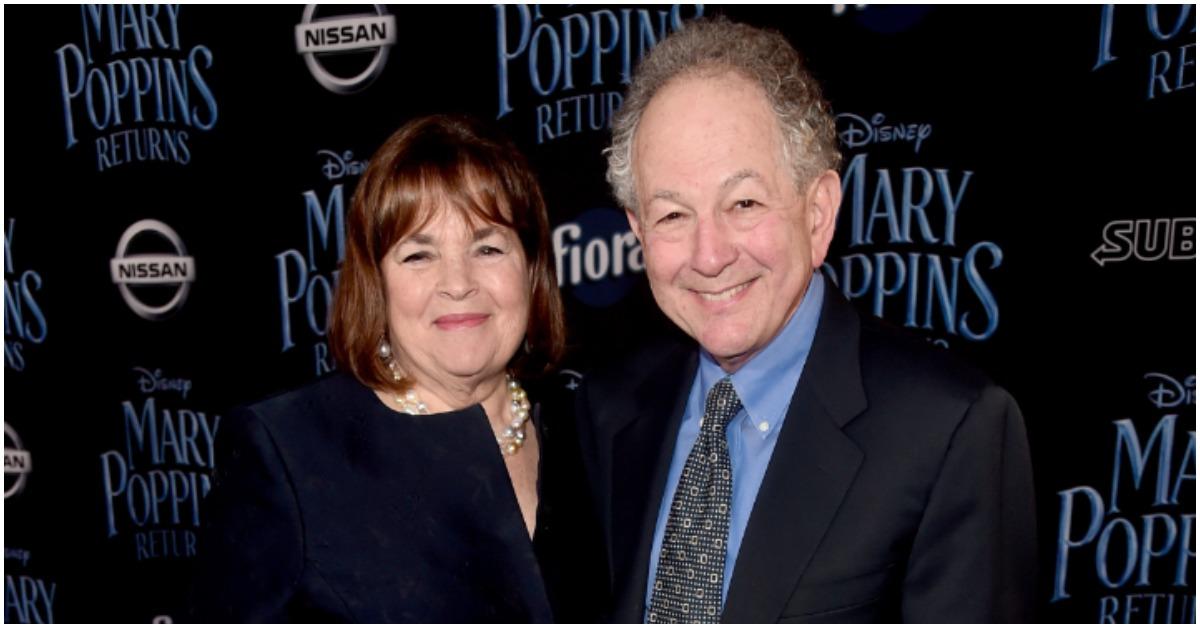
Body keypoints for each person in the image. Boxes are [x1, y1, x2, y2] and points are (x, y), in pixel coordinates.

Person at [577, 17, 1037, 623]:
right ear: (637, 232)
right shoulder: (609, 410)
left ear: (818, 213)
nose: (709, 255)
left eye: (743, 203)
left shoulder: (950, 430)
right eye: (671, 216)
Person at [189, 114, 606, 622]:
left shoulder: (591, 440)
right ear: (375, 283)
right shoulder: (290, 453)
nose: (458, 282)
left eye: (488, 248)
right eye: (418, 256)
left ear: (532, 270)